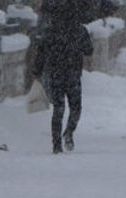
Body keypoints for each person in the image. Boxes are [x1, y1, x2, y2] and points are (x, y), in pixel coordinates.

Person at [33, 19, 94, 154]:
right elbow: (89, 51)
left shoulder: (51, 30)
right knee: (75, 108)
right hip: (73, 75)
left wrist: (37, 70)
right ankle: (69, 132)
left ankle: (56, 144)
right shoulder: (79, 30)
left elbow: (41, 52)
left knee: (58, 109)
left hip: (56, 75)